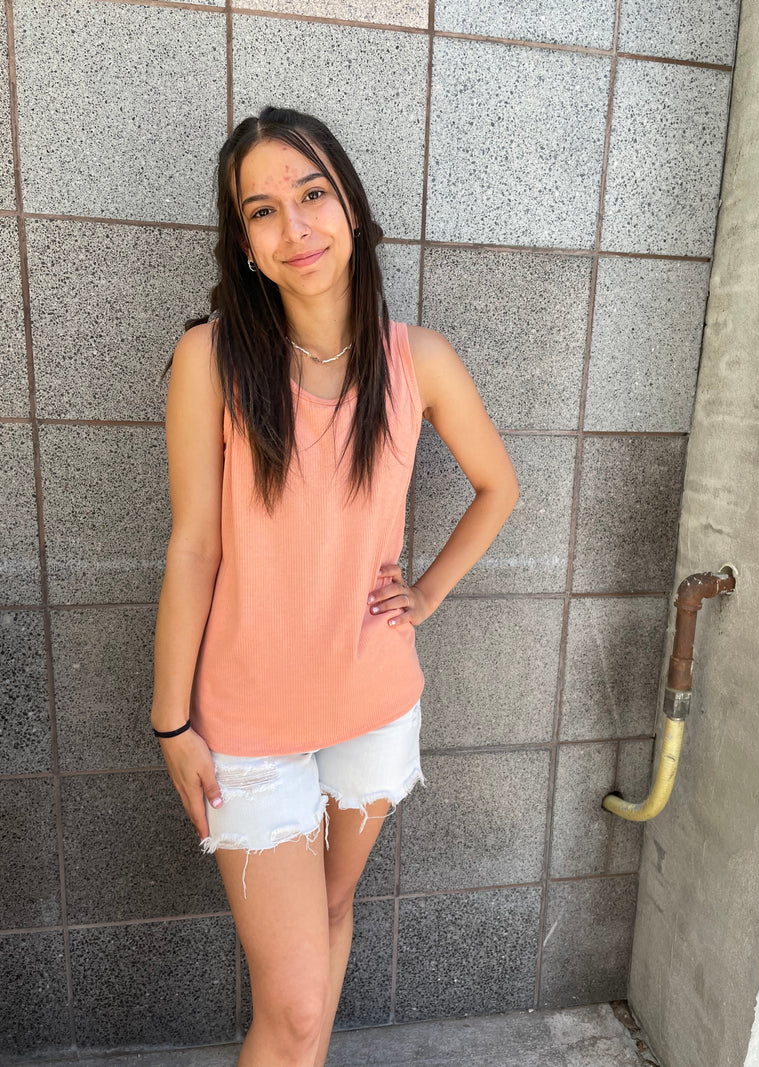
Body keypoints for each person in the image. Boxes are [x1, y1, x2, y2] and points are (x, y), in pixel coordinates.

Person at [150, 105, 519, 1067]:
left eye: (313, 194)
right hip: (245, 725)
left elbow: (498, 486)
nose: (296, 226)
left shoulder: (419, 361)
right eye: (263, 210)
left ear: (351, 205)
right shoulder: (210, 360)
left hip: (371, 705)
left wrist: (426, 592)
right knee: (297, 1005)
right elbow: (193, 547)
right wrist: (170, 721)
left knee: (330, 912)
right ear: (245, 243)